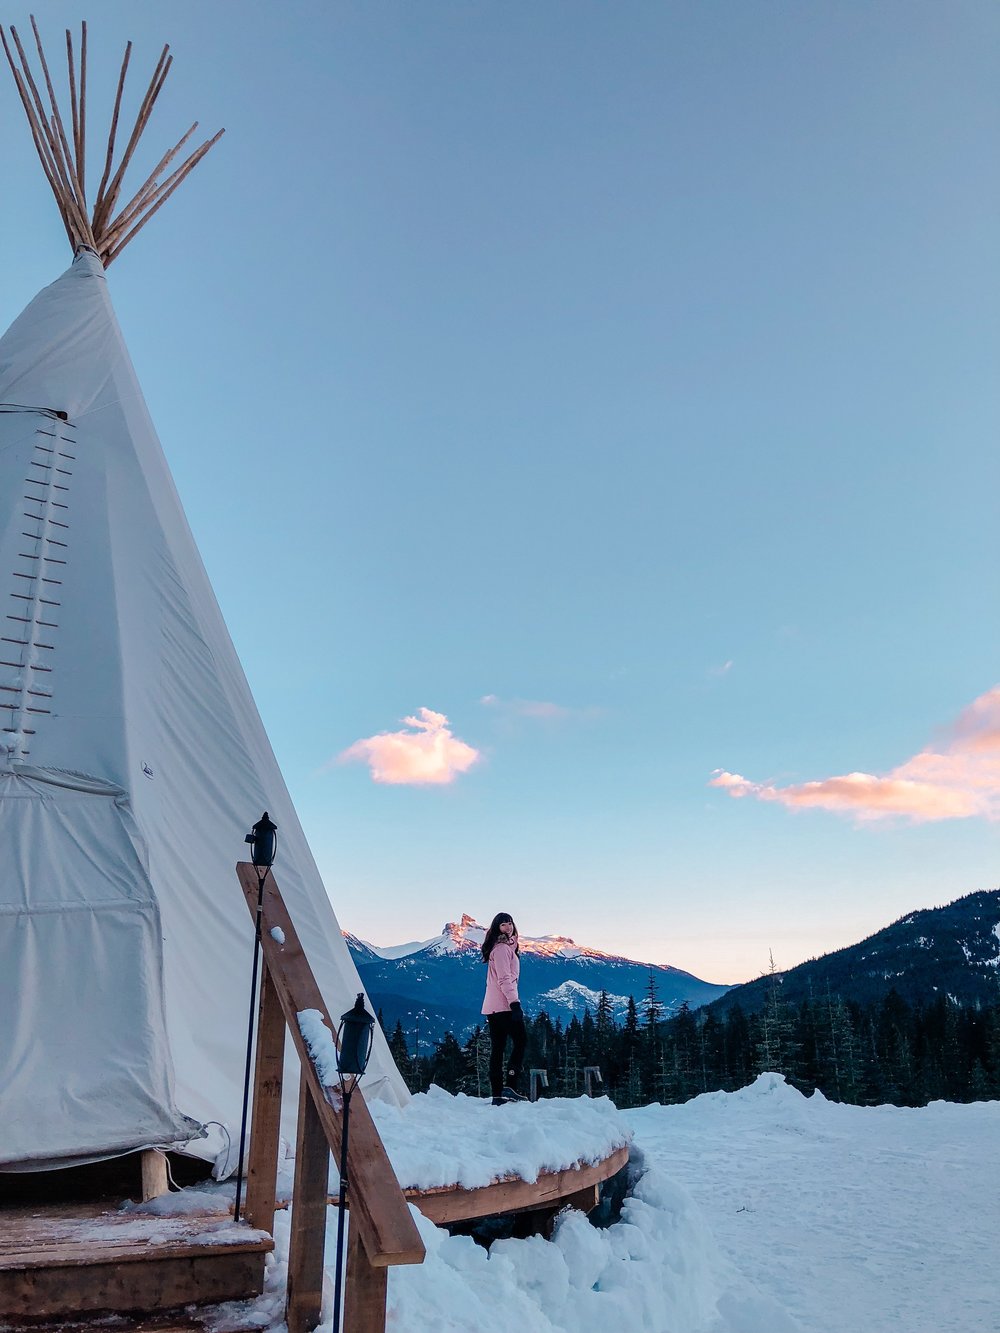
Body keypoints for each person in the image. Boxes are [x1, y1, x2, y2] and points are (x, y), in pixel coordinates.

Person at [481, 912, 528, 1105]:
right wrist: (514, 1003)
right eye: (503, 925)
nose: (508, 927)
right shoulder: (501, 949)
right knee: (521, 1041)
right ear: (496, 928)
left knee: (498, 1049)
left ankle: (498, 1095)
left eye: (510, 923)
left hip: (495, 1007)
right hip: (503, 1005)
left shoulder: (506, 947)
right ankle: (510, 1085)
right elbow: (504, 979)